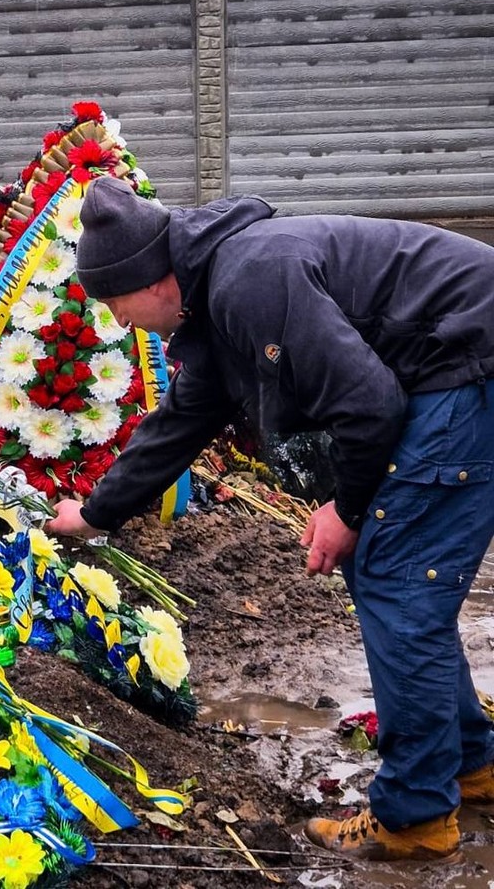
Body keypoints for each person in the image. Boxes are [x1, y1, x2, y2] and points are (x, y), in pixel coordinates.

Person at [46, 174, 494, 862]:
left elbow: (370, 405)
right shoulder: (214, 297)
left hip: (470, 370)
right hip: (455, 371)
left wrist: (345, 510)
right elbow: (183, 420)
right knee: (399, 585)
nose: (118, 322)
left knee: (398, 583)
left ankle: (416, 817)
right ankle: (469, 765)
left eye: (115, 301)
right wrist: (96, 514)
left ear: (152, 276)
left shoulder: (247, 280)